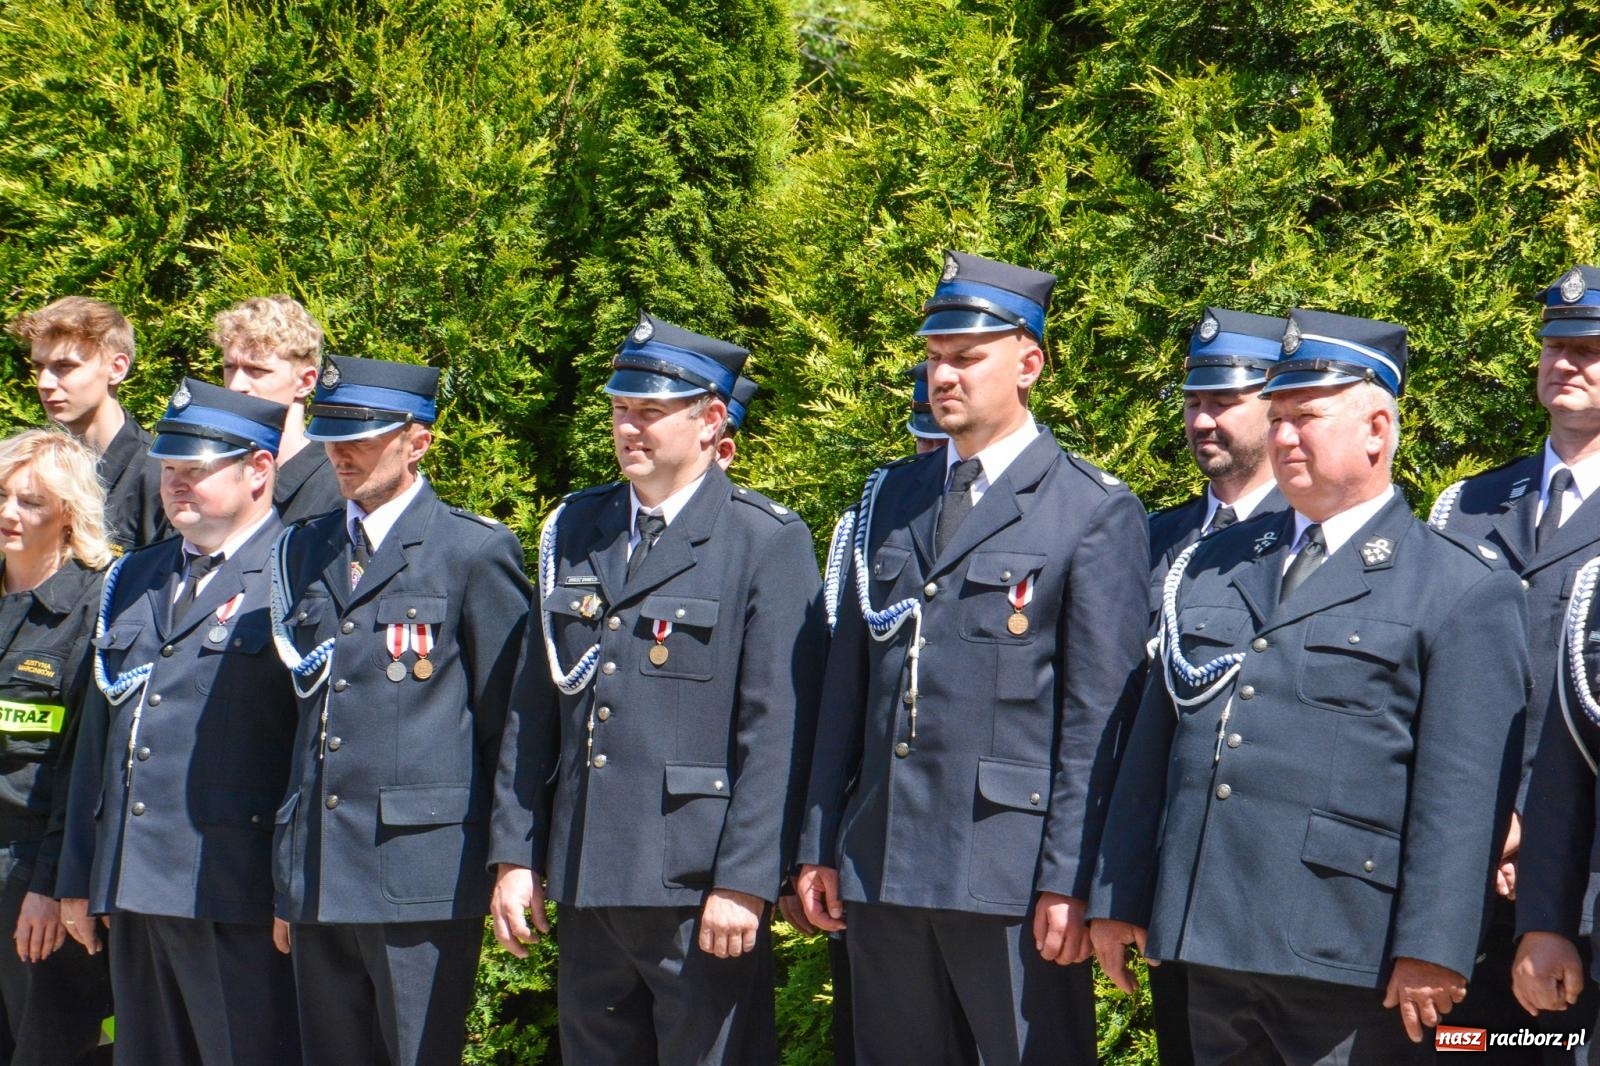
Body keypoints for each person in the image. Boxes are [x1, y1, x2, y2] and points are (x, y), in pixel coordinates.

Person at [1090, 309, 1531, 1064]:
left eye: (1308, 417)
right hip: (1206, 931)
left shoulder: (1455, 587)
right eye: (1280, 415)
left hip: (1345, 946)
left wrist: (1435, 946)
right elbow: (1158, 739)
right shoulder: (1216, 561)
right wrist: (1118, 895)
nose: (1286, 435)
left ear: (1377, 430)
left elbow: (1461, 791)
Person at [795, 251, 1150, 1064]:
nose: (941, 376)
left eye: (965, 357)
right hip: (881, 858)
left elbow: (1096, 721)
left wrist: (1071, 877)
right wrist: (818, 840)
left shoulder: (1089, 511)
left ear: (1029, 363)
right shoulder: (891, 497)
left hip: (1009, 871)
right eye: (933, 357)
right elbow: (846, 688)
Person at [487, 312, 824, 1063]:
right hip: (587, 872)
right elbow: (531, 709)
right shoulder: (575, 528)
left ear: (710, 422)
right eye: (619, 409)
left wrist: (745, 880)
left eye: (650, 411)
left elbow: (776, 728)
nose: (628, 427)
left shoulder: (765, 540)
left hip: (695, 882)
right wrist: (515, 855)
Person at [269, 355, 530, 1066]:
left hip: (421, 871)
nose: (340, 450)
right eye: (330, 431)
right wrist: (288, 874)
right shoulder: (301, 549)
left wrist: (513, 858)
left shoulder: (472, 550)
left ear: (418, 441)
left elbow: (511, 721)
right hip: (319, 870)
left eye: (364, 433)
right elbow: (299, 720)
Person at [56, 380, 301, 1065]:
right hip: (133, 885)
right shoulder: (133, 576)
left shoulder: (300, 572)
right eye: (169, 468)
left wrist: (294, 887)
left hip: (235, 889)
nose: (176, 484)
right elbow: (98, 739)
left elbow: (313, 749)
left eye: (197, 469)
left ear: (259, 469)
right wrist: (79, 873)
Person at [1502, 266, 1600, 1061]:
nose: (1566, 362)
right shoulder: (1464, 506)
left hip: (1583, 870)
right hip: (1474, 860)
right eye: (1555, 346)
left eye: (1589, 349)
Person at [0, 430, 113, 1064]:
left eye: (31, 501)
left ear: (68, 513)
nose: (9, 513)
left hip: (31, 878)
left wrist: (49, 885)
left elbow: (82, 771)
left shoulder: (95, 609)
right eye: (0, 495)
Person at [1148, 308, 1288, 608]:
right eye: (1193, 403)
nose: (1201, 422)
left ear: (1276, 407)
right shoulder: (1155, 535)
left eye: (1223, 403)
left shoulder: (1302, 537)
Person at [6, 298, 167, 553]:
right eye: (39, 367)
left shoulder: (159, 479)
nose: (44, 383)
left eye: (64, 367)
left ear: (116, 368)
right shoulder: (31, 472)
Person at [214, 296, 343, 524]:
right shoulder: (213, 479)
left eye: (257, 370)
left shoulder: (337, 493)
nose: (236, 385)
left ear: (305, 382)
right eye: (230, 368)